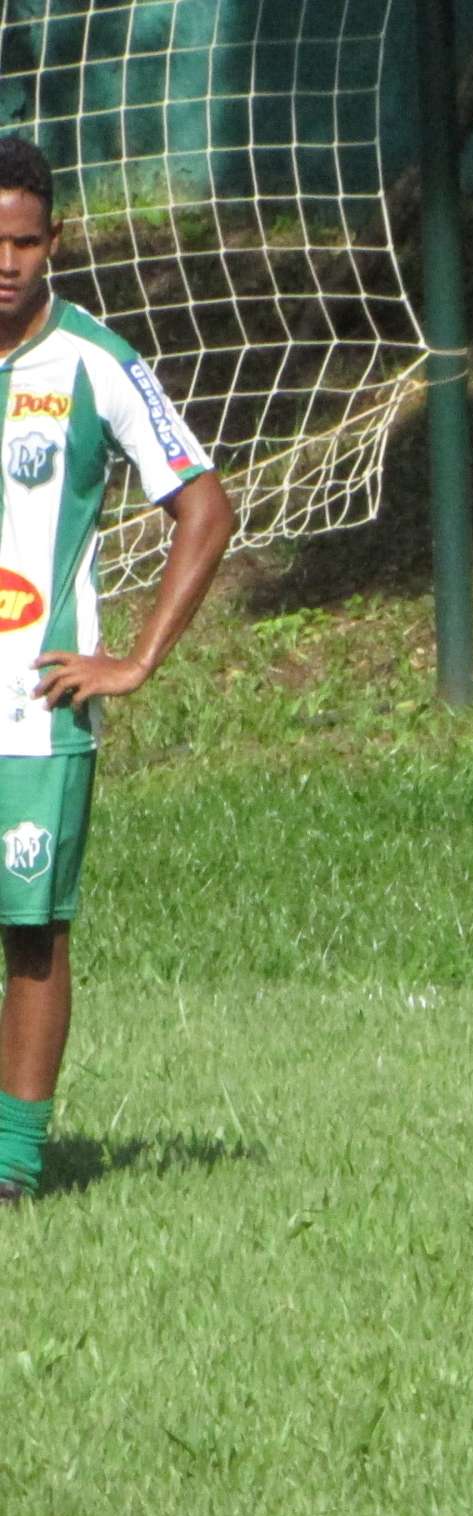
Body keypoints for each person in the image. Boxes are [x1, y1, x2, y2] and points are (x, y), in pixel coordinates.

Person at [0, 136, 235, 1205]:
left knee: (32, 934)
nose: (4, 260)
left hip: (33, 705)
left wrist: (134, 658)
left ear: (56, 243)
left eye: (23, 241)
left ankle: (12, 1168)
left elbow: (204, 504)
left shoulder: (97, 361)